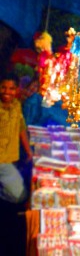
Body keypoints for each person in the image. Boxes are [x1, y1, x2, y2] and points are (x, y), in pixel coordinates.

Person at [0, 72, 33, 204]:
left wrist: (28, 150)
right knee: (21, 196)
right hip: (2, 160)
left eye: (11, 88)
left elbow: (21, 128)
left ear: (17, 89)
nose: (7, 92)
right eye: (3, 87)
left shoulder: (16, 105)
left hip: (10, 156)